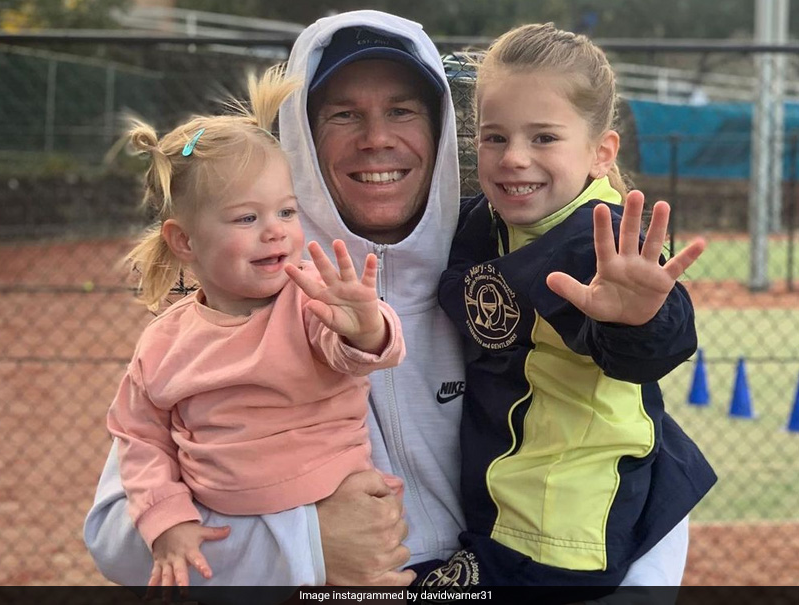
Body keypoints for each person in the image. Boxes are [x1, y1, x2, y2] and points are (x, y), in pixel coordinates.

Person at [85, 10, 697, 588]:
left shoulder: (502, 259)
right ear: (302, 138)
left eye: (402, 110)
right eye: (343, 115)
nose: (376, 138)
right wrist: (306, 546)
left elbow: (630, 451)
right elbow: (117, 536)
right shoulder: (250, 295)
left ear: (439, 130)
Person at [415, 23, 716, 593]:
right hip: (505, 513)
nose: (514, 158)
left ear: (601, 153)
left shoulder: (597, 243)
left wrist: (637, 319)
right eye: (496, 137)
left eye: (544, 138)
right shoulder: (484, 221)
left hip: (559, 531)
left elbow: (646, 351)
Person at [106, 65, 408, 588]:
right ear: (184, 241)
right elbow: (138, 436)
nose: (275, 232)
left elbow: (354, 351)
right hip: (237, 533)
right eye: (247, 218)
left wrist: (365, 327)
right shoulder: (163, 342)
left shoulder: (307, 298)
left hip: (348, 514)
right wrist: (166, 520)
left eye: (286, 212)